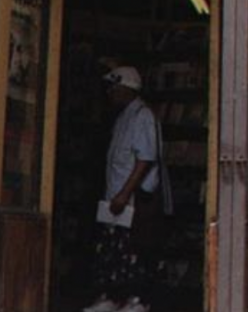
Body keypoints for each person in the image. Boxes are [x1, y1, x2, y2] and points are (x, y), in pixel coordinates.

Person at [83, 66, 169, 312]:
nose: (110, 93)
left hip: (132, 199)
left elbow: (145, 159)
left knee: (134, 249)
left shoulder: (142, 116)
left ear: (125, 89)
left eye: (113, 88)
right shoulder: (123, 117)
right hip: (115, 197)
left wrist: (124, 193)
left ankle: (136, 301)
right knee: (114, 250)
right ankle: (112, 298)